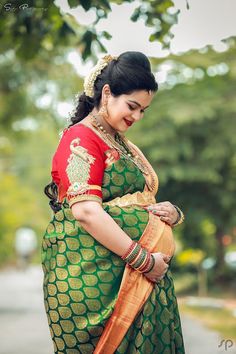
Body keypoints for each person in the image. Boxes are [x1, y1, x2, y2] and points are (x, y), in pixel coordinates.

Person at [42, 51, 185, 354]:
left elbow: (140, 199)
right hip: (98, 285)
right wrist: (144, 262)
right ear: (107, 93)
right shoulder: (80, 139)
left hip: (136, 278)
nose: (136, 117)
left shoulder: (120, 142)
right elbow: (85, 211)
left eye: (143, 110)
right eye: (132, 106)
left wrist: (172, 213)